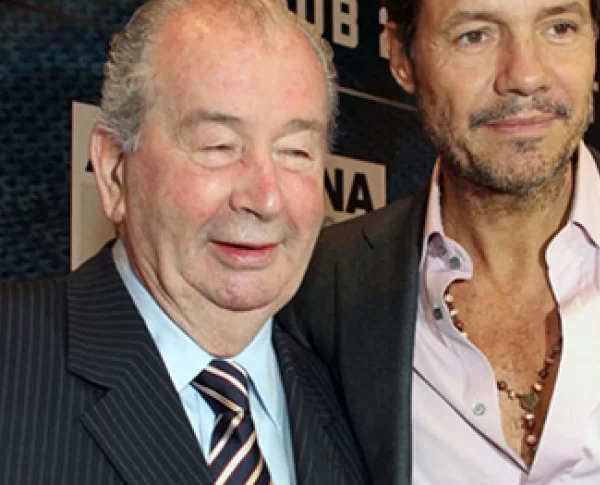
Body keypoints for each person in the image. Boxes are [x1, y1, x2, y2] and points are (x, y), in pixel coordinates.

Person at [293, 0, 600, 483]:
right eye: (475, 35)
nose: (525, 76)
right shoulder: (323, 286)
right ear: (401, 57)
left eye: (559, 28)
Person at [0, 1, 368, 484]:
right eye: (218, 146)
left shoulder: (353, 402)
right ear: (113, 170)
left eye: (296, 152)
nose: (266, 199)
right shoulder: (13, 362)